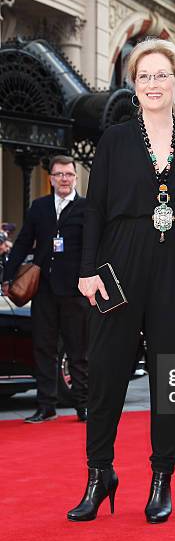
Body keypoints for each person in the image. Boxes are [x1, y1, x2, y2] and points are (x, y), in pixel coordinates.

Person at [67, 39, 175, 524]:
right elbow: (95, 209)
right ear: (133, 84)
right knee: (105, 374)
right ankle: (99, 474)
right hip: (118, 266)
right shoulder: (116, 140)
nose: (152, 84)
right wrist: (86, 270)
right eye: (143, 76)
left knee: (171, 379)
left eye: (161, 75)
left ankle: (162, 476)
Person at [2, 156, 89, 423]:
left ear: (75, 178)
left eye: (69, 174)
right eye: (59, 174)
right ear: (50, 178)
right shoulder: (38, 208)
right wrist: (7, 276)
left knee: (77, 351)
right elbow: (22, 243)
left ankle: (82, 406)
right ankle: (46, 406)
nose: (64, 179)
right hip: (44, 291)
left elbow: (93, 248)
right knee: (43, 349)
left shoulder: (87, 208)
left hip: (75, 291)